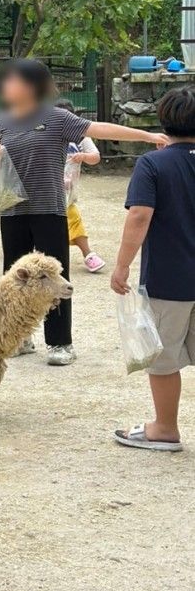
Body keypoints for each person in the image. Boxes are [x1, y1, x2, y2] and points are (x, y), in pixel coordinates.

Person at [0, 59, 168, 366]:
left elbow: (100, 128)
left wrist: (149, 137)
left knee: (55, 278)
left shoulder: (56, 117)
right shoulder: (0, 122)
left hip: (50, 208)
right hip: (12, 211)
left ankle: (60, 343)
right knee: (14, 277)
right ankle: (18, 337)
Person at [111, 86, 195, 452]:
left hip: (169, 280)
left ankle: (164, 428)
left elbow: (139, 217)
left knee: (162, 359)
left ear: (163, 120)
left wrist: (121, 266)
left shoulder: (153, 164)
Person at [56, 99, 105, 272]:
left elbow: (96, 157)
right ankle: (88, 255)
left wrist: (83, 156)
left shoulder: (82, 137)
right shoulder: (48, 135)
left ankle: (87, 256)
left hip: (68, 194)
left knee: (69, 220)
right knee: (70, 220)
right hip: (50, 192)